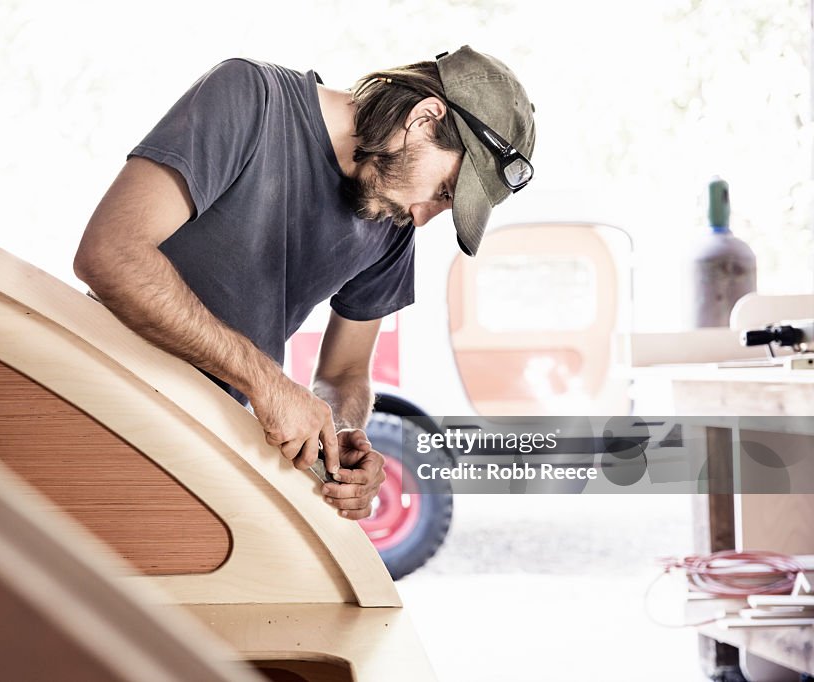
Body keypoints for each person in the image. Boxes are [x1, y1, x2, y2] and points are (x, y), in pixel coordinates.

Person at [74, 46, 535, 520]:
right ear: (423, 119)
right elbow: (110, 254)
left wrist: (337, 441)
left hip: (197, 463)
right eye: (443, 192)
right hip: (92, 418)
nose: (422, 218)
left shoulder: (391, 225)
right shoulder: (250, 98)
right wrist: (265, 381)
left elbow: (344, 374)